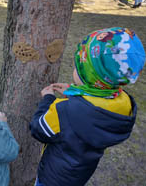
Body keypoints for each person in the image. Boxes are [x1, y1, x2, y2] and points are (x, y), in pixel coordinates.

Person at [30, 27, 145, 186]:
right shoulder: (123, 103)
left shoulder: (63, 110)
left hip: (53, 177)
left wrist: (48, 100)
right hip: (81, 174)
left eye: (79, 66)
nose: (75, 68)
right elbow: (93, 104)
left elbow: (38, 128)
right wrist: (74, 92)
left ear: (89, 75)